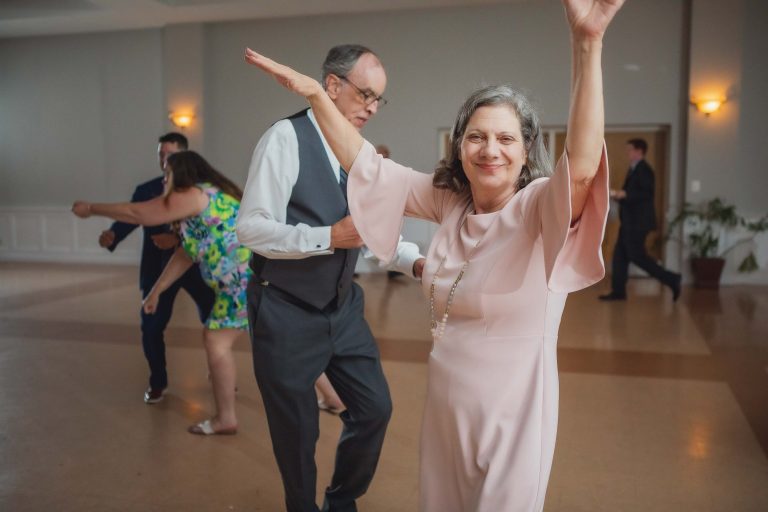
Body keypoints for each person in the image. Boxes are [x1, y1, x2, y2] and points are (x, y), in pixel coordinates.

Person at [243, 0, 624, 509]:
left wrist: (587, 44)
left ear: (527, 148)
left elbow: (578, 169)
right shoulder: (449, 200)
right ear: (459, 146)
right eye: (477, 136)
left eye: (507, 138)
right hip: (447, 404)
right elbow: (366, 164)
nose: (491, 149)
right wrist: (316, 96)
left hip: (512, 412)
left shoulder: (538, 208)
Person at [236, 44, 424, 512]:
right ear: (332, 86)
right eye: (365, 94)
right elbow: (250, 228)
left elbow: (374, 230)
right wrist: (326, 236)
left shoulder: (362, 156)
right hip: (284, 310)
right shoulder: (285, 138)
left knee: (375, 408)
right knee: (297, 433)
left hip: (343, 308)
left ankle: (342, 501)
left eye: (380, 99)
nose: (373, 107)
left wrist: (416, 263)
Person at [72, 151, 251, 436]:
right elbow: (185, 254)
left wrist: (92, 208)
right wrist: (156, 292)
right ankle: (332, 397)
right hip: (244, 283)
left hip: (243, 282)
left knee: (217, 339)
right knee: (277, 340)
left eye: (167, 173)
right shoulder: (202, 204)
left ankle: (226, 419)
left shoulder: (195, 194)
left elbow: (138, 213)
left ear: (182, 174)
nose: (164, 178)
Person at [98, 132, 214, 404]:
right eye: (160, 155)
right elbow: (132, 216)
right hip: (156, 270)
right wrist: (112, 236)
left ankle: (218, 369)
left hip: (197, 268)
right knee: (150, 327)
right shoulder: (146, 189)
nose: (164, 161)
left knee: (215, 322)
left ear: (183, 156)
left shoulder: (202, 192)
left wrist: (176, 239)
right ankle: (158, 382)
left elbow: (209, 229)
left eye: (169, 155)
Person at [599, 138, 682, 301]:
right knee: (619, 256)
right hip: (629, 222)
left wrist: (625, 194)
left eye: (630, 149)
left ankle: (672, 278)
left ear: (639, 151)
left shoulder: (645, 170)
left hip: (638, 223)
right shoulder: (633, 169)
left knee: (637, 256)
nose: (627, 153)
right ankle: (618, 292)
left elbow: (645, 194)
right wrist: (620, 196)